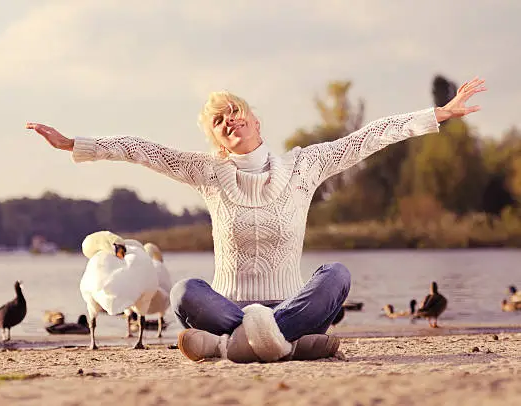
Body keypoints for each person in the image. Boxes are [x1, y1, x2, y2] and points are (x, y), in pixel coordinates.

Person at [27, 77, 487, 363]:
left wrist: (437, 114)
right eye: (219, 123)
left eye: (235, 113)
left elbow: (370, 137)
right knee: (186, 291)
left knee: (337, 277)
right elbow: (142, 149)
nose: (229, 122)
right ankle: (283, 345)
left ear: (256, 121)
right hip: (226, 309)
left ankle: (234, 347)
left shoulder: (307, 165)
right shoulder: (208, 172)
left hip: (294, 305)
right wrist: (74, 145)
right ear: (217, 141)